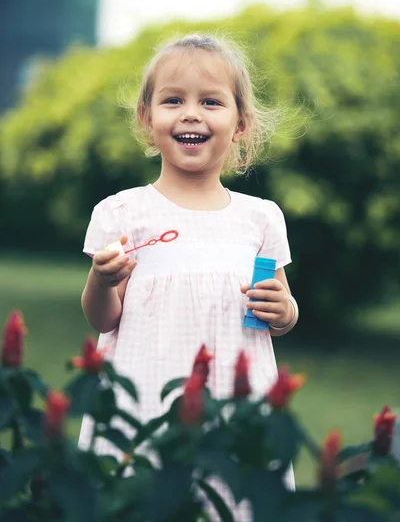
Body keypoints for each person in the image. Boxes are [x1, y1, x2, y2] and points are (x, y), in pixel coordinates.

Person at [78, 33, 299, 513]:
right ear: (146, 117)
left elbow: (279, 311)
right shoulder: (122, 213)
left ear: (240, 123)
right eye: (173, 100)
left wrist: (285, 310)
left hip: (233, 404)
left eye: (211, 101)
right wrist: (103, 280)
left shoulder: (260, 218)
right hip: (144, 404)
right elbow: (103, 319)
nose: (191, 113)